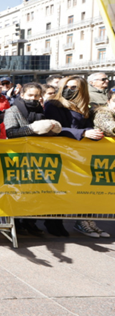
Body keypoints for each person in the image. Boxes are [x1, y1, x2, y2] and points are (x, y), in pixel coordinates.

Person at [44, 76, 107, 238]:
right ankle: (53, 222)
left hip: (79, 154)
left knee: (77, 188)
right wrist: (83, 133)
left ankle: (81, 221)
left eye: (74, 88)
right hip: (59, 152)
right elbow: (56, 128)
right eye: (66, 86)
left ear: (82, 90)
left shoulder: (84, 107)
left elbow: (86, 125)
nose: (68, 90)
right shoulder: (53, 104)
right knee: (57, 189)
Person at [3, 83, 63, 237]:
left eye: (36, 95)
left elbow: (42, 131)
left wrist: (51, 131)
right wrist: (32, 129)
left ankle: (30, 222)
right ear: (22, 95)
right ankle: (16, 223)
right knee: (18, 191)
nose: (34, 98)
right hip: (18, 157)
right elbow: (11, 132)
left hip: (36, 157)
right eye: (30, 95)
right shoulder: (13, 110)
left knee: (34, 192)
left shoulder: (40, 110)